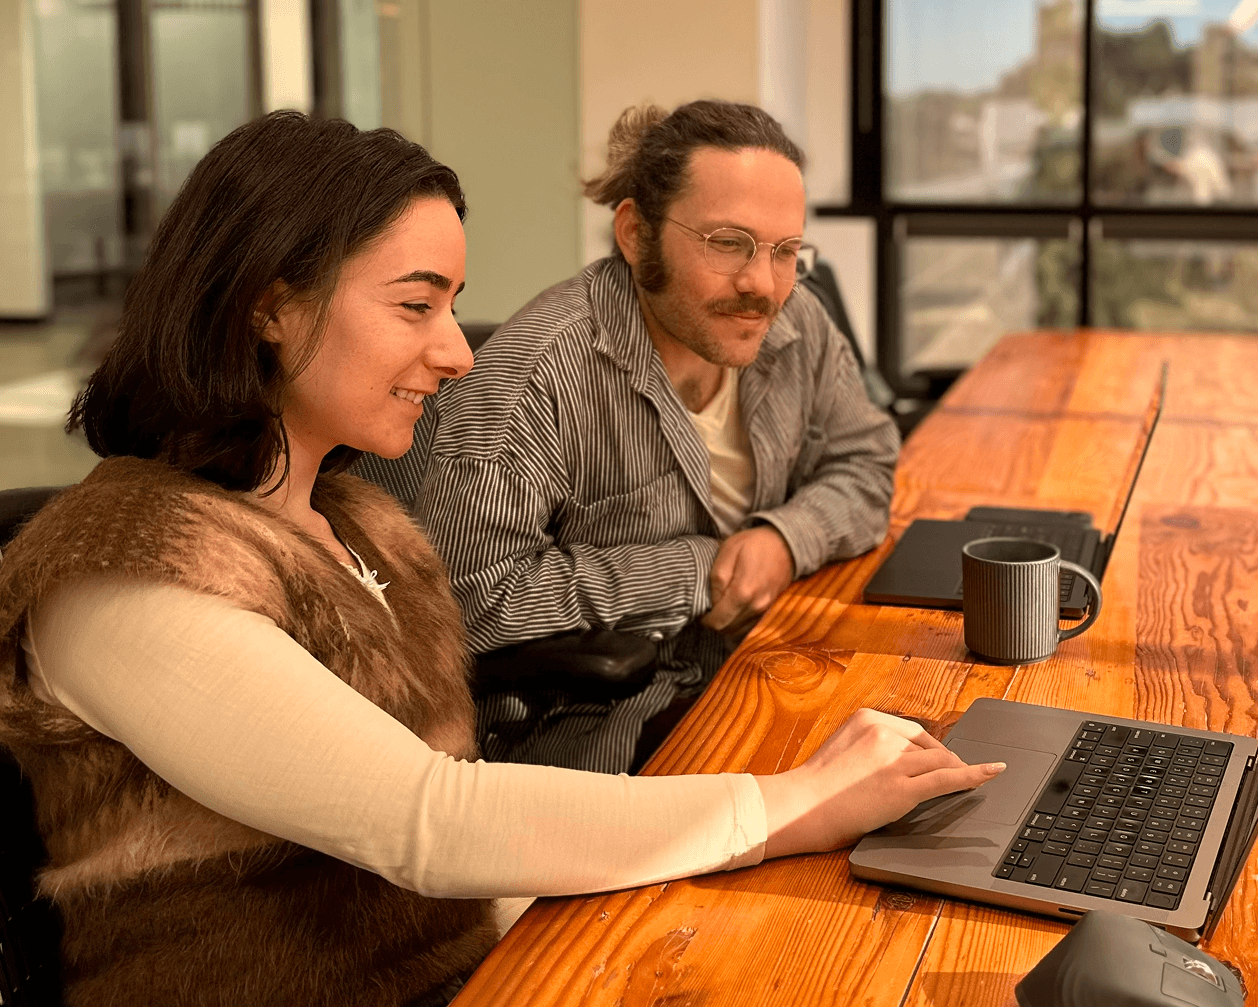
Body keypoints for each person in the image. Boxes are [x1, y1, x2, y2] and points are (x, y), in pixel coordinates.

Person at [0, 111, 1003, 1007]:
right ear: (271, 306)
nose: (458, 351)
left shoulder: (347, 523)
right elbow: (428, 820)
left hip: (466, 950)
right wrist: (790, 799)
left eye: (452, 305)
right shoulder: (122, 573)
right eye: (414, 305)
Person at [360, 101, 900, 774]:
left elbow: (867, 459)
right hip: (615, 729)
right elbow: (474, 600)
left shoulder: (798, 326)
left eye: (784, 251)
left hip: (779, 658)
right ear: (634, 233)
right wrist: (700, 568)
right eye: (727, 243)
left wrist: (787, 538)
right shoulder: (536, 379)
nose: (762, 283)